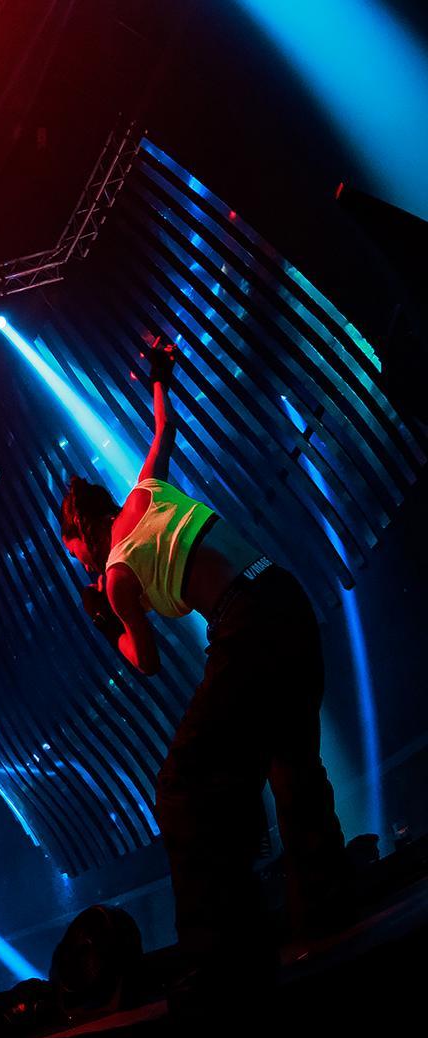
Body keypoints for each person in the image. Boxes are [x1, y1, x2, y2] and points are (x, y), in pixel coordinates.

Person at [58, 336, 347, 993]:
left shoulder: (114, 575)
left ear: (83, 537)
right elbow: (164, 427)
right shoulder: (147, 490)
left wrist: (107, 625)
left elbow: (147, 661)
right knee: (293, 767)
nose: (79, 561)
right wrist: (160, 373)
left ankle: (221, 957)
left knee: (182, 786)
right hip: (285, 597)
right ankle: (327, 920)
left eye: (74, 551)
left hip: (246, 627)